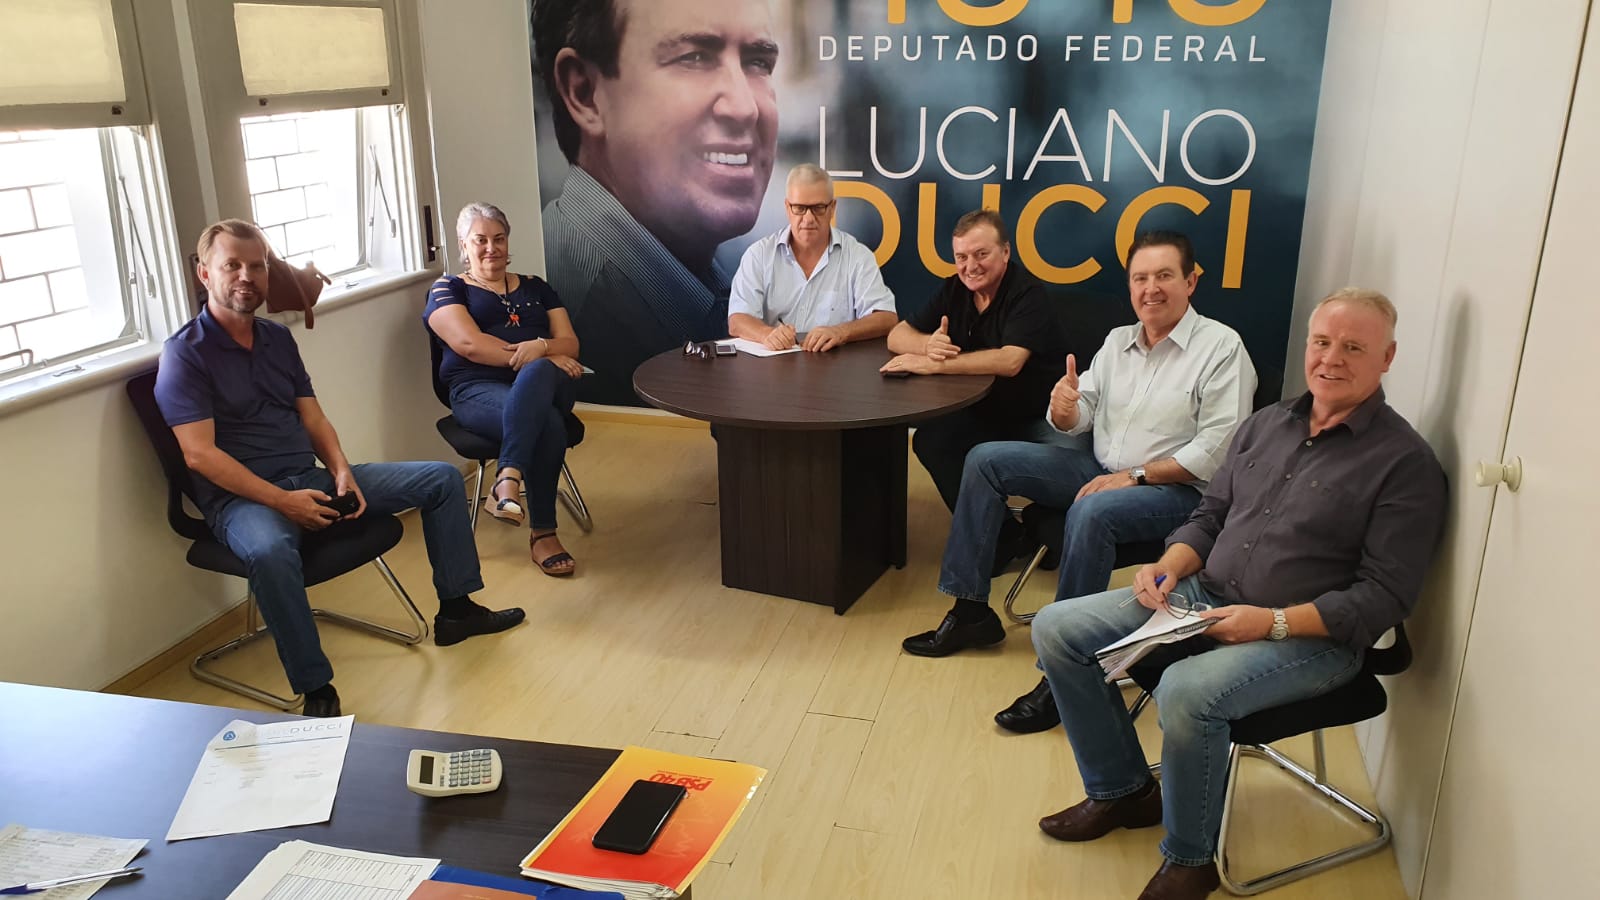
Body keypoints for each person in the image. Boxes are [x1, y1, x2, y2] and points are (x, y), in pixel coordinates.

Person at [1029, 288, 1447, 900]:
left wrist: (1271, 623)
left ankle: (1190, 859)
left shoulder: (1405, 464)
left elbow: (1385, 597)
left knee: (1185, 689)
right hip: (1204, 594)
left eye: (1354, 348)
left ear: (1387, 358)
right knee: (1057, 628)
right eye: (1322, 342)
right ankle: (1123, 792)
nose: (1331, 358)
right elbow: (1210, 515)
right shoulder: (1266, 425)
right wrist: (1168, 566)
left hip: (1312, 638)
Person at [155, 220, 525, 718]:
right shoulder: (185, 353)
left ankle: (457, 610)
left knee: (440, 479)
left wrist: (342, 471)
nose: (246, 276)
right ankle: (317, 690)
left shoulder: (275, 338)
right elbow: (199, 455)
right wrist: (282, 502)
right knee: (269, 551)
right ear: (205, 274)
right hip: (242, 502)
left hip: (308, 479)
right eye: (232, 266)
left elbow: (313, 417)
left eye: (257, 266)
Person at [901, 232, 1257, 680]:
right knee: (985, 459)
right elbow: (1079, 414)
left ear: (1190, 281)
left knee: (1092, 510)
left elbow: (1216, 452)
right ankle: (971, 611)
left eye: (1164, 276)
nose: (1151, 289)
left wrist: (1136, 476)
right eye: (1140, 278)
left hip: (1179, 492)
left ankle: (1066, 665)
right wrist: (1065, 409)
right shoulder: (1118, 342)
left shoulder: (1222, 348)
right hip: (1102, 469)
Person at [531, 0, 780, 405]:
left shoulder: (688, 280)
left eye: (758, 62)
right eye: (694, 58)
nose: (744, 107)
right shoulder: (590, 313)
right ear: (585, 93)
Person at [425, 202, 583, 576]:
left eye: (499, 239)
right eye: (480, 240)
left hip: (551, 386)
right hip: (477, 390)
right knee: (547, 422)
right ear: (463, 244)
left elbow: (571, 344)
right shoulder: (448, 289)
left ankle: (507, 477)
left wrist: (542, 351)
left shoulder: (537, 287)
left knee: (540, 374)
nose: (491, 248)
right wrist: (542, 353)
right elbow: (469, 345)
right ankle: (544, 534)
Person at [881, 209, 1067, 510]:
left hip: (1038, 417)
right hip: (983, 412)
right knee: (931, 441)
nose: (970, 266)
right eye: (961, 257)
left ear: (1005, 252)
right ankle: (1000, 531)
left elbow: (1010, 362)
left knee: (1071, 477)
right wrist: (928, 345)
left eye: (981, 254)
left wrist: (936, 364)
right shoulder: (954, 288)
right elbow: (896, 335)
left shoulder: (1028, 293)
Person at [726, 164, 897, 351]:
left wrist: (841, 332)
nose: (808, 219)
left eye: (818, 208)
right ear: (787, 208)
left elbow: (886, 318)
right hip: (774, 364)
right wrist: (767, 334)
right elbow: (737, 320)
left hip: (837, 366)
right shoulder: (759, 255)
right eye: (799, 208)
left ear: (832, 208)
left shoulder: (857, 256)